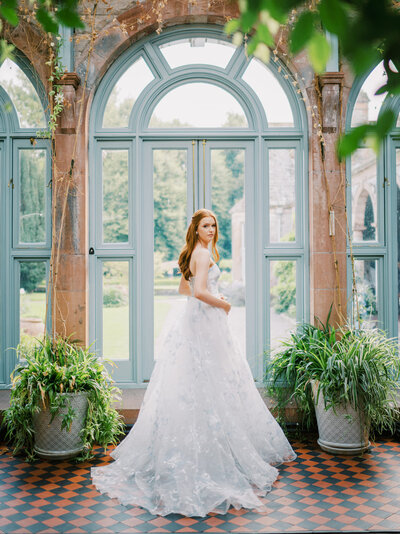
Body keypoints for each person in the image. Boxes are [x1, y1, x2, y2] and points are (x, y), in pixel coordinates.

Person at [91, 208, 296, 517]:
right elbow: (198, 291)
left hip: (198, 320)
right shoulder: (201, 254)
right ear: (196, 229)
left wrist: (213, 296)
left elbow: (183, 288)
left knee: (203, 381)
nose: (211, 230)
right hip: (204, 321)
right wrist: (223, 302)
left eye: (213, 225)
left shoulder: (194, 252)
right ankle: (207, 453)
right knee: (210, 380)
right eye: (205, 226)